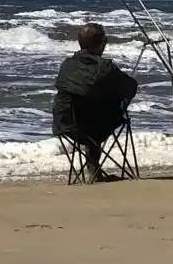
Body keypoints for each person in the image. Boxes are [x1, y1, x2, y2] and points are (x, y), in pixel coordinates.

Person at [52, 22, 139, 182]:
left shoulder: (67, 65)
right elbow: (131, 86)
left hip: (64, 124)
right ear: (100, 44)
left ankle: (94, 171)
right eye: (104, 41)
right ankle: (94, 170)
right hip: (93, 127)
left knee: (93, 102)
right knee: (110, 101)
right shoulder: (105, 68)